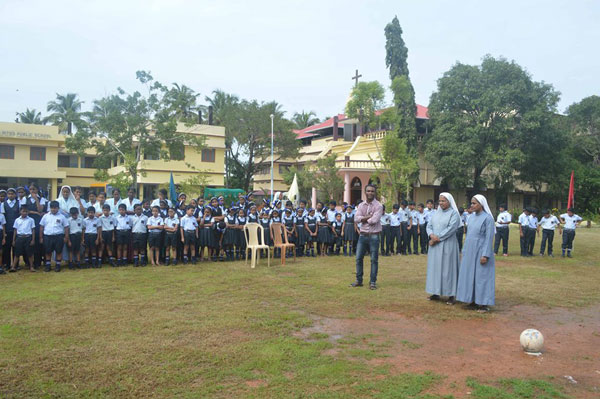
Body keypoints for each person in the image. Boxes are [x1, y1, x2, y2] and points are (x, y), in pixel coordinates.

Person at [456, 195, 496, 313]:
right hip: (470, 250)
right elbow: (468, 235)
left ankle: (483, 303)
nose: (472, 205)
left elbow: (489, 238)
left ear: (481, 204)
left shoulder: (488, 218)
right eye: (471, 203)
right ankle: (472, 300)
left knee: (481, 277)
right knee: (470, 275)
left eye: (474, 203)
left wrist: (485, 254)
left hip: (481, 250)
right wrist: (464, 250)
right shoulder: (471, 217)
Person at [426, 193, 461, 304]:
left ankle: (451, 295)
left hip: (448, 245)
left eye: (443, 201)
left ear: (449, 201)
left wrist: (437, 238)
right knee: (435, 269)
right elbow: (429, 225)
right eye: (440, 201)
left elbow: (451, 228)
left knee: (448, 269)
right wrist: (431, 235)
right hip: (435, 246)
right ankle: (435, 292)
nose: (441, 203)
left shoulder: (454, 214)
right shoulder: (436, 213)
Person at [351, 184, 383, 290]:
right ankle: (359, 280)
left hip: (374, 236)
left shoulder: (379, 206)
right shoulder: (361, 205)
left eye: (372, 191)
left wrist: (363, 219)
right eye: (368, 191)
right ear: (365, 192)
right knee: (358, 258)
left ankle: (372, 282)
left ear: (375, 192)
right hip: (362, 235)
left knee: (374, 260)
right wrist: (367, 217)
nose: (370, 193)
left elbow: (374, 220)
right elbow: (356, 219)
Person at [39, 200, 69, 272]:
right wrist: (41, 237)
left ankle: (58, 265)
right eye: (52, 208)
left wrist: (66, 237)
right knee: (48, 251)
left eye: (55, 208)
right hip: (47, 236)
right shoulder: (45, 216)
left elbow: (66, 227)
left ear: (58, 208)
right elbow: (41, 227)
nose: (53, 209)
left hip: (58, 236)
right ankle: (48, 265)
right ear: (50, 208)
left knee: (58, 251)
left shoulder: (62, 217)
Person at [1, 188, 19, 269]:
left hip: (16, 229)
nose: (10, 195)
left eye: (12, 194)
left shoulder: (18, 203)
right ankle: (7, 264)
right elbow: (3, 217)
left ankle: (15, 265)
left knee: (16, 247)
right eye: (9, 194)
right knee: (7, 248)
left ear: (15, 195)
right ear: (7, 195)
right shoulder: (3, 204)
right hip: (7, 229)